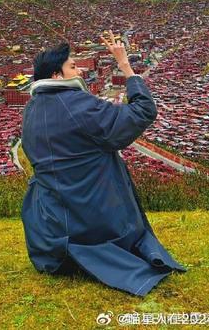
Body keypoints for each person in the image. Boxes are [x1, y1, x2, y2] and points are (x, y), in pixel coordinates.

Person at [20, 31, 187, 296]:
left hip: (49, 235)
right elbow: (143, 111)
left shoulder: (30, 110)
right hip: (91, 224)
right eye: (73, 67)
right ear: (55, 76)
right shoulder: (78, 104)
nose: (80, 73)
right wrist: (124, 64)